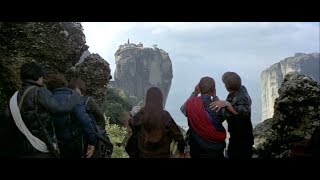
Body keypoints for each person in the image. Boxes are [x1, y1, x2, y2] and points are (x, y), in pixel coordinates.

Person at [4, 62, 81, 158]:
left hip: (19, 149)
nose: (42, 80)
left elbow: (7, 120)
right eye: (42, 77)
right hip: (40, 148)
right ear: (37, 76)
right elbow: (59, 109)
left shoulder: (13, 97)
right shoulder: (39, 91)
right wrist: (75, 97)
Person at [125, 87, 186, 158]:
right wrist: (181, 151)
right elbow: (179, 137)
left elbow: (132, 125)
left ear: (147, 99)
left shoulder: (139, 116)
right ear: (160, 100)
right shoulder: (165, 117)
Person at [46, 74, 97, 158]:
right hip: (72, 143)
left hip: (53, 144)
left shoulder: (46, 99)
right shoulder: (73, 98)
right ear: (65, 85)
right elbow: (85, 121)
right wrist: (92, 142)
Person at [210, 72, 254, 159]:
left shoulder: (241, 98)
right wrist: (216, 98)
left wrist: (226, 104)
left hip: (241, 140)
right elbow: (224, 107)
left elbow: (242, 112)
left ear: (227, 87)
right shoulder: (240, 89)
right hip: (241, 137)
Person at [180, 77, 227, 158]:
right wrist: (215, 97)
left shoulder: (192, 104)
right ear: (213, 90)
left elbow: (183, 109)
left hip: (197, 149)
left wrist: (195, 93)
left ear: (199, 89)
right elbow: (224, 115)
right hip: (216, 150)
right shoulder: (218, 106)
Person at [68, 78, 113, 158]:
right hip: (81, 141)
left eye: (75, 91)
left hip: (82, 140)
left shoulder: (86, 101)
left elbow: (100, 117)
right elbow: (100, 118)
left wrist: (97, 132)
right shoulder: (85, 101)